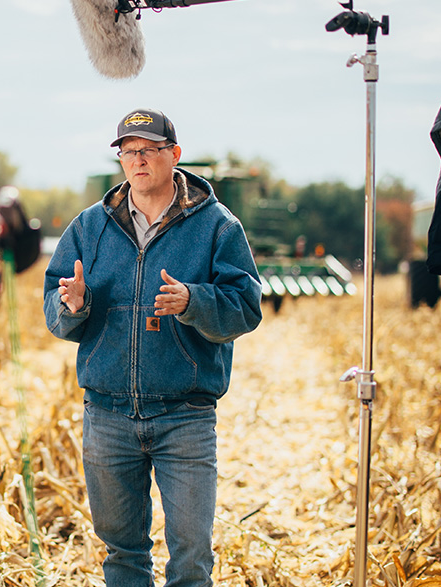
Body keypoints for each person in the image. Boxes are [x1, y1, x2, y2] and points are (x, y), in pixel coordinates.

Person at [43, 108, 262, 587]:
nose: (137, 160)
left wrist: (193, 302)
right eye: (128, 152)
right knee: (122, 555)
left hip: (185, 417)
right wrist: (73, 305)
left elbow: (246, 308)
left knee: (191, 559)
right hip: (107, 417)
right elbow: (54, 310)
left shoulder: (217, 226)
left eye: (148, 150)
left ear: (174, 154)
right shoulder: (89, 227)